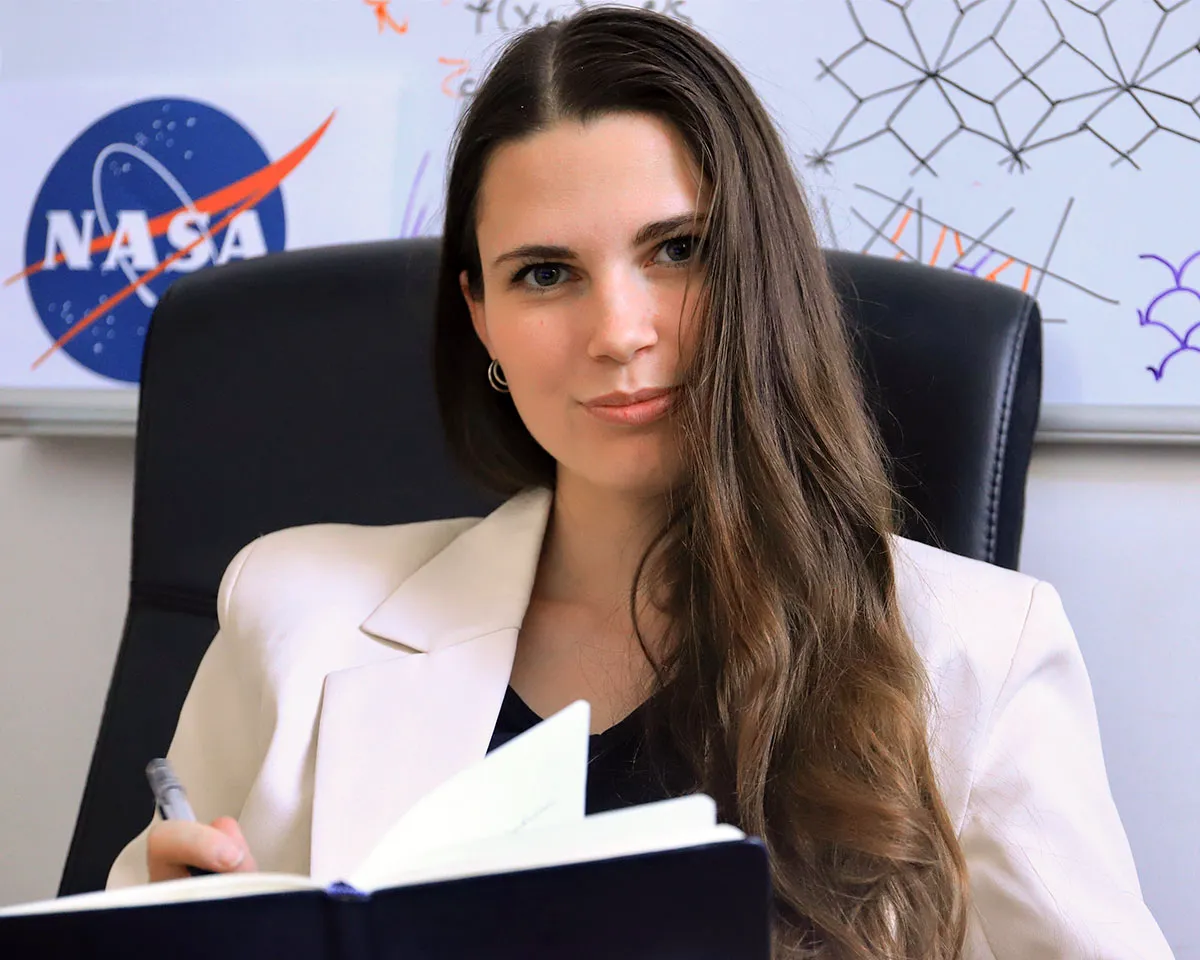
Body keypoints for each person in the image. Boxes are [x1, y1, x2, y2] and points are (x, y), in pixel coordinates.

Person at [107, 6, 1173, 958]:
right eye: (544, 273)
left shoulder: (978, 651)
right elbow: (154, 907)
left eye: (677, 250)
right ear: (479, 314)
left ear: (762, 274)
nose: (618, 333)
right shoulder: (298, 610)